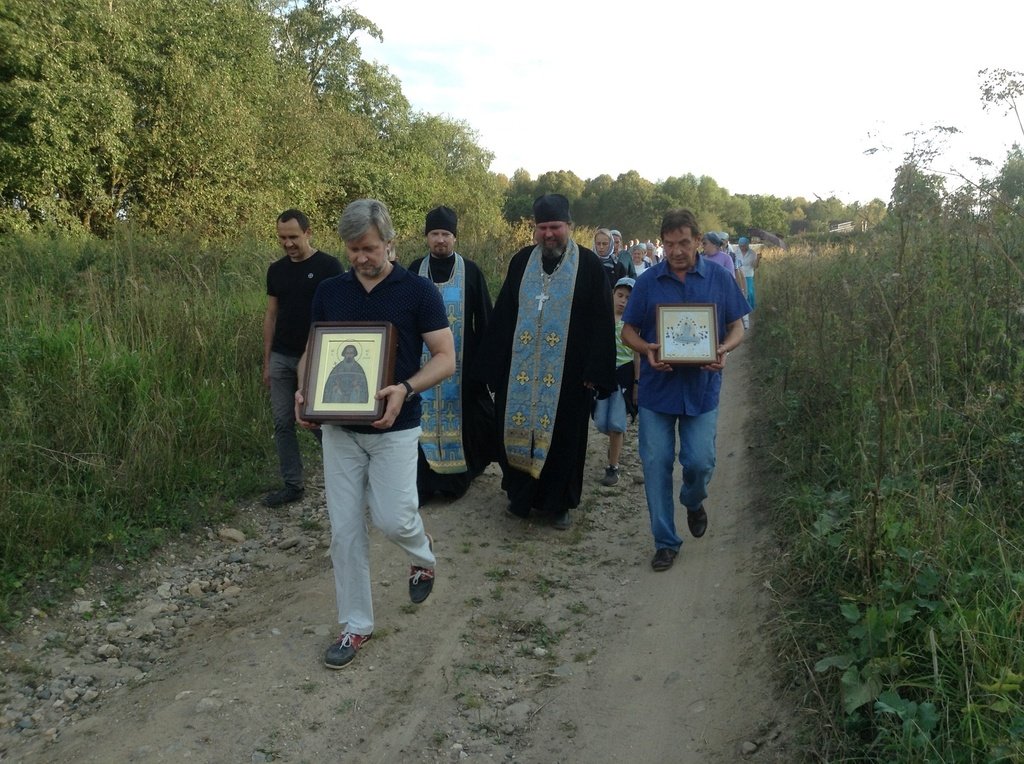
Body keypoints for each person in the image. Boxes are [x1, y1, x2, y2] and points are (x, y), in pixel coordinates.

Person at [295, 198, 456, 669]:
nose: (361, 257)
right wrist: (305, 391)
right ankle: (355, 626)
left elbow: (446, 358)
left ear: (389, 242)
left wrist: (405, 389)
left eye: (368, 248)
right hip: (340, 432)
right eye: (352, 249)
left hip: (395, 428)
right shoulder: (330, 291)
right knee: (344, 532)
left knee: (393, 519)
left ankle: (422, 554)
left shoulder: (418, 292)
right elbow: (313, 351)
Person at [476, 194, 617, 530]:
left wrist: (595, 370)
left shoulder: (588, 265)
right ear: (535, 229)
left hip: (569, 373)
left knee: (564, 440)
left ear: (569, 226)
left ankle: (559, 504)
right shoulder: (521, 261)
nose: (549, 234)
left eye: (555, 227)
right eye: (542, 228)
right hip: (520, 371)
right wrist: (493, 366)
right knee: (515, 429)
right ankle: (520, 497)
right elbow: (504, 314)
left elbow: (602, 320)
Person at [621, 209, 749, 572]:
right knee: (656, 464)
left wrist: (724, 349)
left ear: (698, 241)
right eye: (669, 243)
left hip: (702, 389)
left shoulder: (719, 278)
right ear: (662, 244)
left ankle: (693, 500)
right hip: (657, 390)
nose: (676, 251)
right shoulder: (648, 281)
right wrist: (646, 349)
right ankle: (665, 542)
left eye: (683, 242)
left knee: (700, 462)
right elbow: (627, 331)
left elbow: (737, 327)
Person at [408, 206, 497, 505]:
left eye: (446, 234)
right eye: (435, 234)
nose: (440, 240)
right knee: (420, 422)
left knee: (465, 421)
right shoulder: (414, 270)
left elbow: (484, 320)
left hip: (462, 367)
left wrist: (484, 367)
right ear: (427, 237)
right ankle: (423, 483)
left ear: (455, 237)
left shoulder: (470, 271)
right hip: (421, 366)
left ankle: (454, 481)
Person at [262, 209, 343, 507]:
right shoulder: (276, 270)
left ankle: (345, 476)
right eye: (282, 238)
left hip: (316, 357)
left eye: (293, 237)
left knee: (317, 422)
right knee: (282, 422)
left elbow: (338, 314)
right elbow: (271, 315)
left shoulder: (329, 267)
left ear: (308, 233)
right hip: (281, 356)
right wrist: (267, 360)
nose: (288, 244)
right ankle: (293, 485)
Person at [593, 276, 640, 487]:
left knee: (615, 422)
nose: (623, 301)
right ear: (612, 295)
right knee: (601, 422)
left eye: (628, 298)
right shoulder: (603, 318)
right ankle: (615, 439)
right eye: (620, 295)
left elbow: (637, 355)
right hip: (604, 375)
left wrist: (637, 383)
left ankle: (613, 467)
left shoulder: (633, 324)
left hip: (624, 374)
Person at [736, 236, 760, 316]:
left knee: (749, 292)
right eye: (740, 246)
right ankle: (740, 308)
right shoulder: (736, 252)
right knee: (740, 291)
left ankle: (750, 308)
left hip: (748, 274)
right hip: (739, 274)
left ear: (747, 245)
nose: (742, 247)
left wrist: (758, 259)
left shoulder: (752, 253)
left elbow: (755, 266)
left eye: (743, 246)